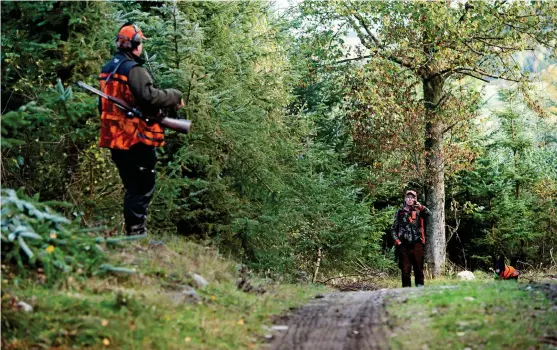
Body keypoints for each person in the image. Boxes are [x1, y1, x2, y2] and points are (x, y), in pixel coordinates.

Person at [98, 23, 184, 235]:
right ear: (135, 45)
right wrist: (174, 95)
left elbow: (103, 105)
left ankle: (134, 234)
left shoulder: (108, 69)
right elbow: (149, 98)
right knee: (142, 185)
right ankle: (136, 234)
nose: (141, 47)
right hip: (134, 138)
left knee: (133, 186)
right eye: (140, 43)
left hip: (114, 138)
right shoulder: (133, 70)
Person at [391, 190, 431, 287]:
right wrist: (398, 242)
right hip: (403, 246)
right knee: (405, 271)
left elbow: (429, 214)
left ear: (415, 199)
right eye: (408, 197)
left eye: (412, 197)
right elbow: (393, 229)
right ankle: (406, 293)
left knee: (419, 270)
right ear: (405, 199)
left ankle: (419, 292)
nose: (410, 199)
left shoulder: (419, 210)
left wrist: (421, 207)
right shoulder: (400, 212)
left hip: (417, 244)